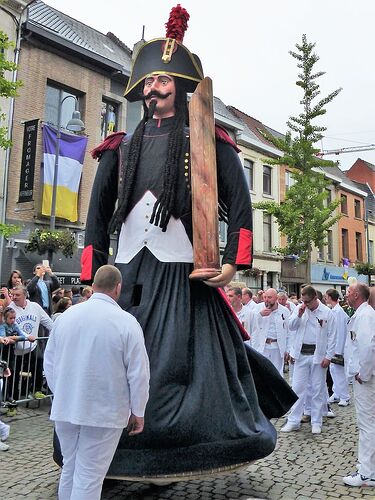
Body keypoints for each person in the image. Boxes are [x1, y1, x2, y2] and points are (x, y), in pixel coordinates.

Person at [79, 4, 296, 480]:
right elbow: (97, 220)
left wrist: (234, 265)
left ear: (180, 87)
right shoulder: (120, 149)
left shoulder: (210, 143)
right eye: (147, 84)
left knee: (183, 366)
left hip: (182, 273)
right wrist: (91, 278)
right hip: (127, 277)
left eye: (163, 81)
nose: (153, 90)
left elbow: (241, 207)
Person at [44, 265, 150, 500]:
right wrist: (138, 410)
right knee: (89, 476)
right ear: (118, 288)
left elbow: (49, 363)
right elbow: (138, 372)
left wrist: (62, 392)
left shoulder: (66, 317)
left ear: (93, 285)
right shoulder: (126, 322)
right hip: (104, 411)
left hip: (66, 405)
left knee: (71, 468)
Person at [281, 285, 336, 434]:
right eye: (303, 301)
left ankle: (316, 421)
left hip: (318, 355)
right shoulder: (300, 309)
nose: (305, 304)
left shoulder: (327, 312)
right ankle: (294, 421)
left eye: (308, 302)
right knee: (298, 388)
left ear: (315, 298)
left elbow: (332, 336)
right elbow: (291, 327)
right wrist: (298, 314)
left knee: (317, 389)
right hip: (301, 354)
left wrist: (329, 356)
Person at [342, 283, 375, 488]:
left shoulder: (365, 316)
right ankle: (369, 468)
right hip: (366, 375)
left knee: (366, 425)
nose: (346, 296)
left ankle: (366, 474)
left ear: (356, 295)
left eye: (348, 293)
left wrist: (364, 372)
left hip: (366, 378)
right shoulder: (364, 314)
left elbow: (367, 346)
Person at [8, 285, 53, 401]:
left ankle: (37, 389)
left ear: (25, 295)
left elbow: (48, 322)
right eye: (12, 295)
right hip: (16, 349)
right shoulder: (10, 309)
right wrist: (27, 336)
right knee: (13, 373)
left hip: (32, 346)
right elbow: (15, 327)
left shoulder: (35, 307)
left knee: (39, 360)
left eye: (17, 295)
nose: (14, 297)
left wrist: (57, 331)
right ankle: (12, 397)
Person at [251, 288, 290, 375]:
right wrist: (260, 315)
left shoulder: (284, 311)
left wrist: (288, 349)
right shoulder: (258, 308)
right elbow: (250, 324)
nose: (266, 300)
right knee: (262, 373)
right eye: (265, 297)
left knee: (277, 374)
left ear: (276, 298)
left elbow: (289, 332)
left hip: (277, 347)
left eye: (269, 297)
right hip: (262, 347)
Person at [325, 288, 350, 406]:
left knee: (339, 372)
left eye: (326, 296)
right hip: (332, 347)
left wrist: (338, 350)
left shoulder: (339, 312)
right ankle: (336, 393)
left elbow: (340, 333)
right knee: (333, 370)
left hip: (338, 348)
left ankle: (345, 396)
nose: (325, 298)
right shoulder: (333, 311)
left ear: (330, 297)